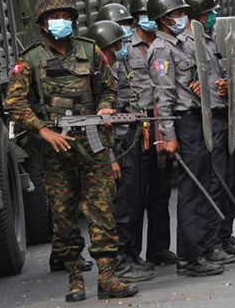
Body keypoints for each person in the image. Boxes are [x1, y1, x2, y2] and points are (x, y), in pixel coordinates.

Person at [4, 0, 138, 302]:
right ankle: (75, 279)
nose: (60, 21)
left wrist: (105, 107)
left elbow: (108, 87)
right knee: (63, 217)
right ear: (42, 22)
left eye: (65, 16)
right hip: (56, 150)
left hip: (92, 142)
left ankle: (108, 277)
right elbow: (14, 102)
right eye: (54, 16)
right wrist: (43, 131)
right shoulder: (31, 59)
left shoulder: (90, 51)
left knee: (102, 210)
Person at [146, 0, 224, 277]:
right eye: (177, 14)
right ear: (164, 19)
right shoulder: (162, 50)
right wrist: (168, 135)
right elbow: (162, 97)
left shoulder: (186, 43)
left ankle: (200, 249)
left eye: (183, 13)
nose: (183, 18)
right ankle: (189, 258)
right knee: (191, 192)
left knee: (203, 186)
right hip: (183, 123)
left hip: (197, 118)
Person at [186, 0, 235, 259]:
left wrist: (229, 84)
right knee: (216, 183)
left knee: (234, 178)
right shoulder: (188, 41)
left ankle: (225, 234)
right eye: (207, 10)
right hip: (210, 119)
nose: (213, 15)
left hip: (233, 115)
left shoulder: (223, 33)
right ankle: (212, 239)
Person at [86, 19, 155, 283]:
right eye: (117, 45)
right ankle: (118, 262)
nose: (122, 48)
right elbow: (91, 124)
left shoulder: (116, 67)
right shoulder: (97, 77)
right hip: (113, 149)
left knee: (134, 203)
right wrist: (108, 158)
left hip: (128, 143)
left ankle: (130, 254)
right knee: (121, 209)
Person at [125, 0, 179, 267]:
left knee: (161, 189)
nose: (148, 19)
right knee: (135, 193)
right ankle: (131, 253)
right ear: (136, 17)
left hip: (160, 121)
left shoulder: (168, 44)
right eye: (143, 14)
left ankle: (159, 247)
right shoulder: (125, 47)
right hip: (137, 125)